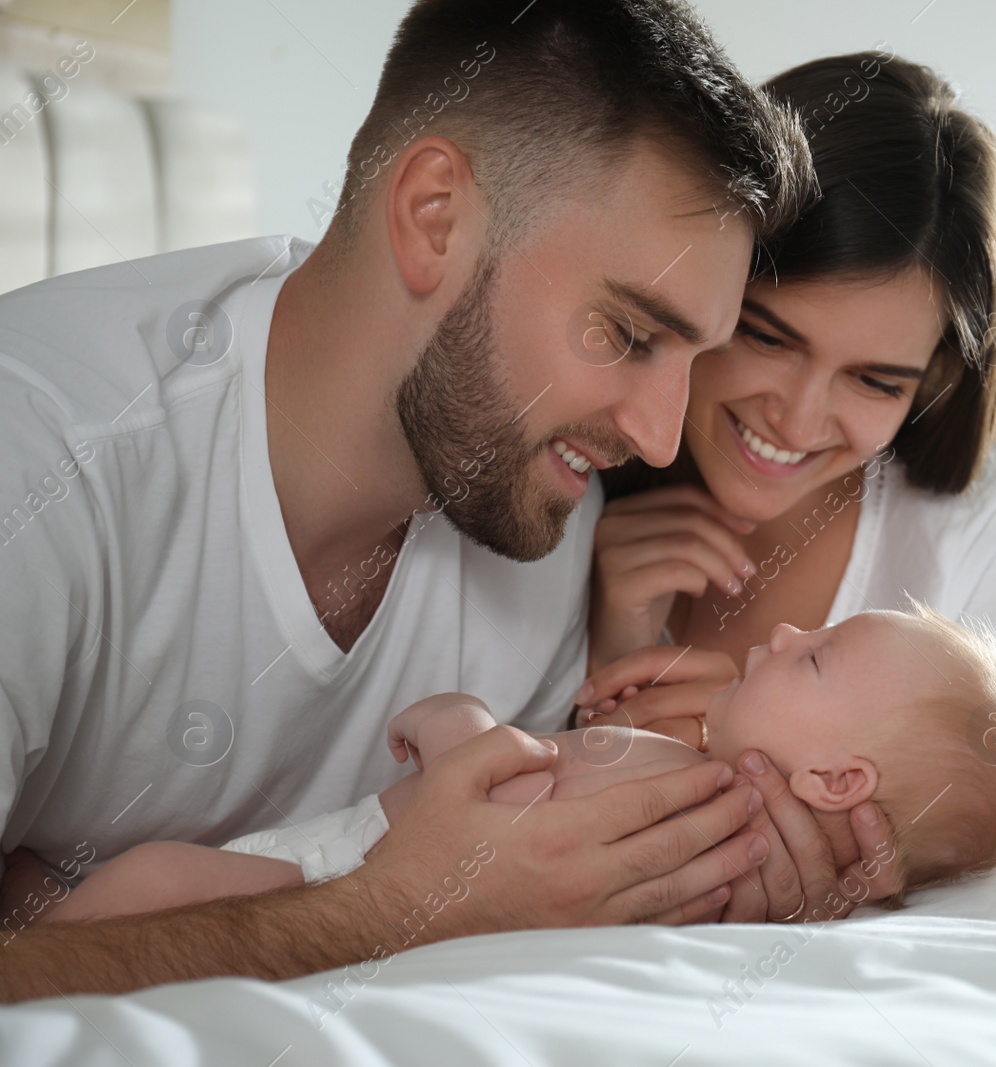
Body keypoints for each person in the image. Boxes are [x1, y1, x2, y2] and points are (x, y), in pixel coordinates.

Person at [0, 0, 907, 1003]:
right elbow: (421, 898)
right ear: (435, 215)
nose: (657, 436)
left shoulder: (540, 525)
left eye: (695, 358)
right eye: (626, 333)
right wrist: (397, 908)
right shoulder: (38, 460)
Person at [580, 53, 996, 895]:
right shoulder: (574, 463)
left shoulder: (976, 516)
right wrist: (621, 638)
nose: (798, 417)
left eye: (874, 380)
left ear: (929, 383)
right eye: (770, 336)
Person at [39, 608, 996, 926]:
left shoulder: (688, 790)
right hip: (360, 873)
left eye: (817, 653)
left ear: (839, 780)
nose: (789, 625)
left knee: (151, 883)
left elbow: (506, 794)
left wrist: (458, 719)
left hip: (335, 877)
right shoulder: (748, 859)